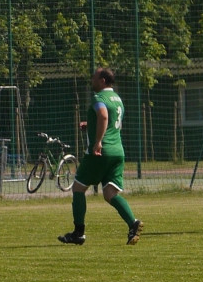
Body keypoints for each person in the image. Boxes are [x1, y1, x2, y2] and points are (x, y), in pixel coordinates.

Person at [59, 67, 143, 246]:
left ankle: (78, 233)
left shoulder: (99, 98)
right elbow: (111, 121)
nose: (92, 80)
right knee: (110, 193)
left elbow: (104, 116)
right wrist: (90, 124)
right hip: (117, 151)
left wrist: (97, 141)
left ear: (103, 80)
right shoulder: (117, 99)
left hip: (100, 152)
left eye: (94, 77)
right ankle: (133, 223)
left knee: (78, 188)